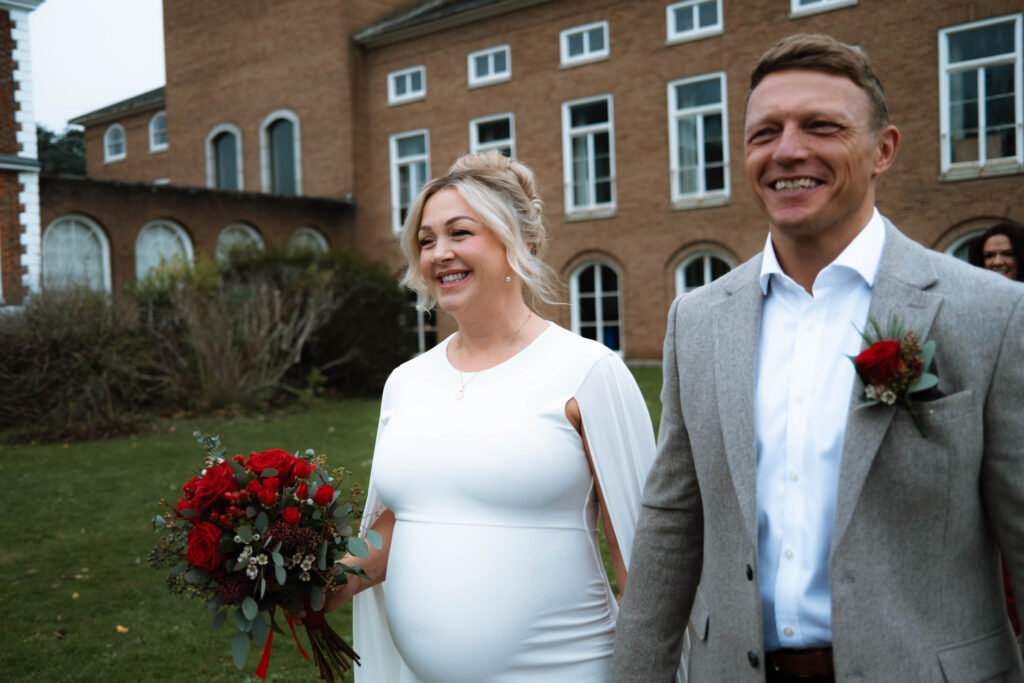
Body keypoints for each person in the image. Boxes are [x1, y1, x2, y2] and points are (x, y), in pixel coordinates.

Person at [613, 33, 1024, 682]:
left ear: (883, 149)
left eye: (821, 126)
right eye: (764, 133)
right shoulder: (695, 321)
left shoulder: (993, 314)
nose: (787, 151)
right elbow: (671, 519)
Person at [301, 150, 656, 682]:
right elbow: (401, 524)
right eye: (425, 240)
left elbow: (642, 560)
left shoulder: (588, 372)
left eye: (459, 233)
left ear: (521, 241)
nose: (439, 253)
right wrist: (304, 579)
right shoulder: (406, 382)